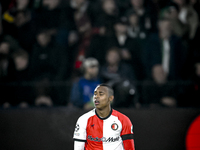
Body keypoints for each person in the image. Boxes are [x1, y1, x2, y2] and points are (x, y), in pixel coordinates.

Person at [73, 83, 135, 150]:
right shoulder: (83, 119)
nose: (96, 97)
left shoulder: (123, 120)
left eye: (101, 94)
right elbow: (78, 147)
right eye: (95, 94)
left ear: (110, 98)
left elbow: (129, 148)